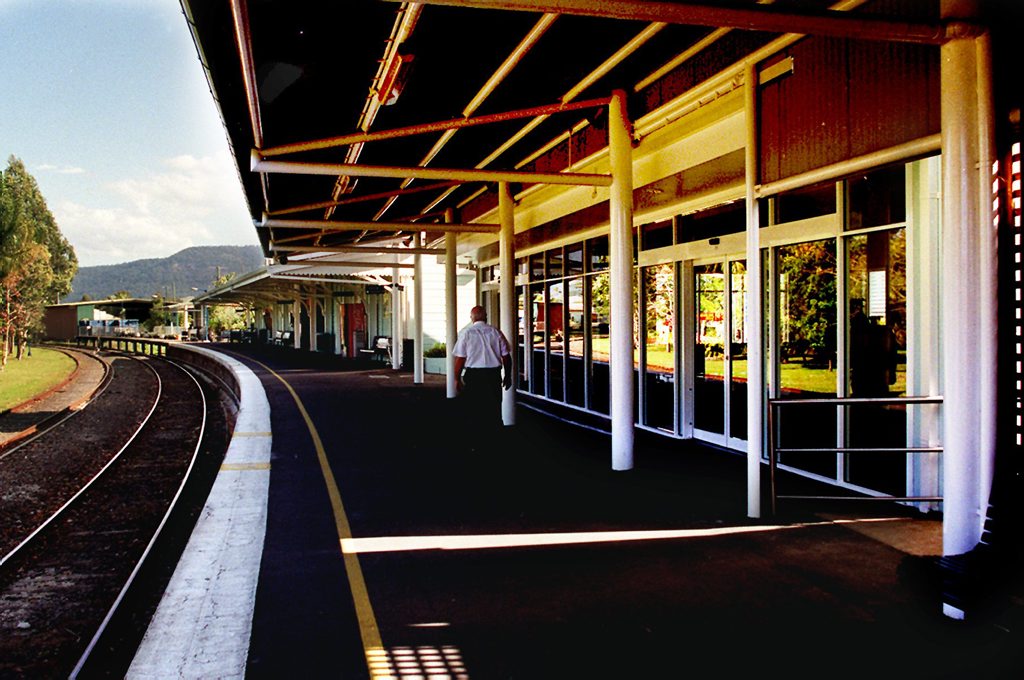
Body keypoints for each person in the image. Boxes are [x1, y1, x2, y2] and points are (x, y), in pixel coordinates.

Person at [452, 305, 513, 438]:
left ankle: (475, 437)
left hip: (474, 376)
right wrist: (507, 376)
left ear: (472, 318)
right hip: (493, 375)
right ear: (485, 317)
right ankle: (495, 436)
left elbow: (460, 359)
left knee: (474, 406)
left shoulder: (466, 334)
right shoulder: (496, 332)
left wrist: (456, 379)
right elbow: (506, 357)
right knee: (494, 405)